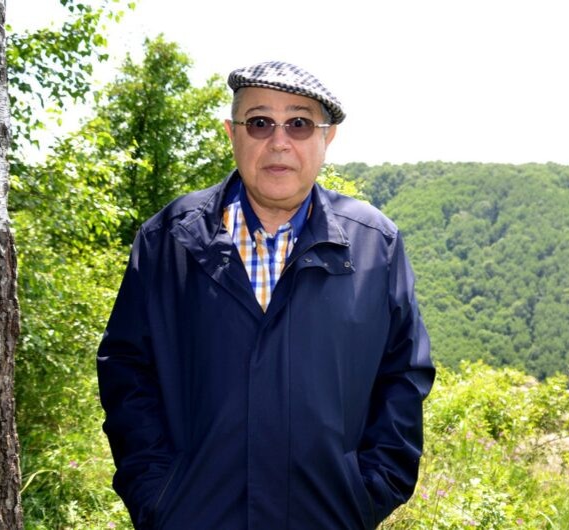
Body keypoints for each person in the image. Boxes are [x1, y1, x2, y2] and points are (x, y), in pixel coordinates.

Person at [97, 60, 435, 529]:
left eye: (299, 124)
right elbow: (126, 370)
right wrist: (157, 495)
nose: (279, 142)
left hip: (327, 517)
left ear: (327, 138)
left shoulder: (375, 245)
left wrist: (366, 495)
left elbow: (403, 375)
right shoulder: (170, 239)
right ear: (232, 133)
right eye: (259, 123)